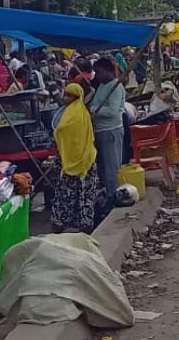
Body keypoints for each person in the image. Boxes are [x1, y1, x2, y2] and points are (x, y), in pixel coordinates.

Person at [52, 83, 101, 232]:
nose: (65, 98)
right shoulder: (70, 113)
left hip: (79, 160)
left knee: (73, 194)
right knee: (75, 194)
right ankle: (73, 224)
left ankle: (71, 224)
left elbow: (61, 131)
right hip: (75, 160)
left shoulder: (76, 114)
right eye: (65, 94)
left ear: (77, 97)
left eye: (69, 95)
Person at [87, 57, 126, 208]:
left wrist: (94, 110)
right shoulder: (102, 86)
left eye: (99, 72)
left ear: (108, 71)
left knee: (112, 167)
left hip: (111, 130)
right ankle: (110, 195)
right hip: (100, 130)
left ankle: (116, 196)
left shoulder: (116, 87)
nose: (97, 75)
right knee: (104, 168)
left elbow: (113, 111)